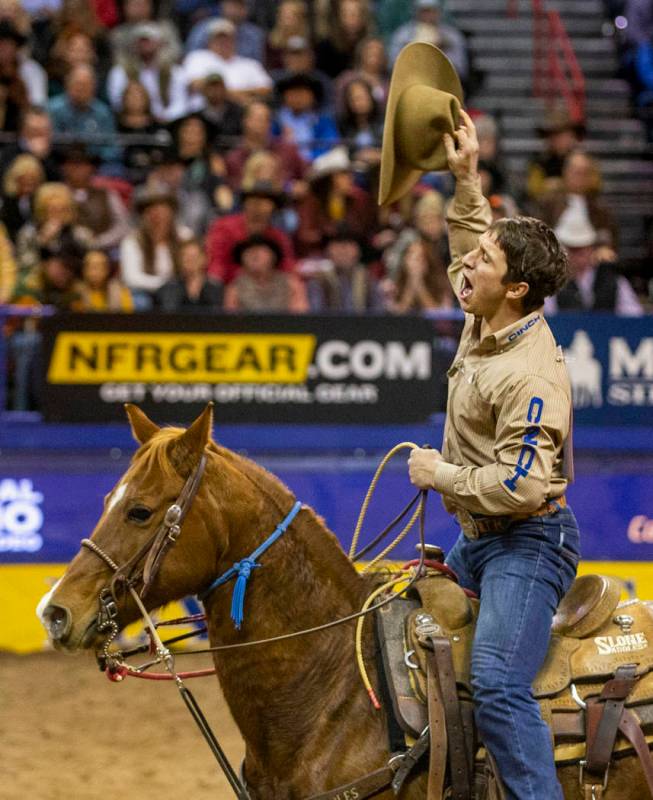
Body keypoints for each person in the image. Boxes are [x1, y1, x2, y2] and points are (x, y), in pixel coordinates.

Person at [400, 83, 577, 799]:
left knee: (500, 684)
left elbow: (524, 486)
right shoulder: (490, 316)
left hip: (526, 545)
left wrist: (441, 473)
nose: (464, 267)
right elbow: (468, 236)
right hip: (483, 539)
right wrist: (466, 176)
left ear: (517, 289)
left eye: (482, 263)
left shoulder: (533, 375)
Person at [546, 215, 643, 315]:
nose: (580, 255)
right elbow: (547, 317)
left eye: (583, 248)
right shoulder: (554, 284)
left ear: (591, 248)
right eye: (573, 249)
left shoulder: (613, 280)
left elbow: (634, 315)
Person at [205, 179, 295, 283]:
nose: (257, 206)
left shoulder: (278, 237)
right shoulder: (224, 228)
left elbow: (288, 268)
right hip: (231, 287)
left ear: (273, 207)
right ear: (245, 204)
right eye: (253, 201)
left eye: (264, 202)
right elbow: (217, 264)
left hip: (268, 291)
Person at [183, 18, 272, 107]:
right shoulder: (197, 57)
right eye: (218, 39)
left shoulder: (249, 64)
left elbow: (266, 89)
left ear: (235, 41)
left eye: (227, 39)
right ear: (210, 41)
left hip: (242, 111)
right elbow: (195, 84)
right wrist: (237, 97)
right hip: (205, 111)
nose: (223, 43)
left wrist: (230, 93)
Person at [224, 232, 307, 311]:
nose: (254, 254)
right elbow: (231, 321)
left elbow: (300, 318)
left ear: (273, 256)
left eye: (260, 249)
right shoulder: (235, 288)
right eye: (248, 251)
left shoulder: (291, 284)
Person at [156, 237, 223, 311]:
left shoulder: (216, 288)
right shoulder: (169, 288)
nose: (189, 261)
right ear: (179, 259)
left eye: (194, 257)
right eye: (185, 257)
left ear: (205, 259)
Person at [77, 248, 134, 312]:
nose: (94, 271)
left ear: (108, 269)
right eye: (90, 266)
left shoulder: (119, 291)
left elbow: (127, 318)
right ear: (83, 270)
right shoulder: (77, 293)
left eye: (99, 266)